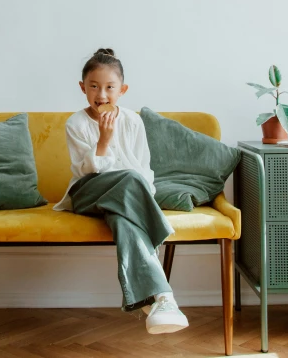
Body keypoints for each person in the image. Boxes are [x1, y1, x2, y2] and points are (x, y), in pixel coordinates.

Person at [54, 47, 189, 334]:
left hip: (123, 198)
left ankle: (160, 298)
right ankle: (159, 246)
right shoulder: (75, 123)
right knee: (128, 179)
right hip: (87, 194)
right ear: (82, 88)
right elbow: (84, 172)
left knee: (124, 217)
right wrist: (103, 140)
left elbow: (144, 169)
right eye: (93, 86)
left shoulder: (134, 121)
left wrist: (138, 196)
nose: (101, 94)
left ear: (122, 89)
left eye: (109, 87)